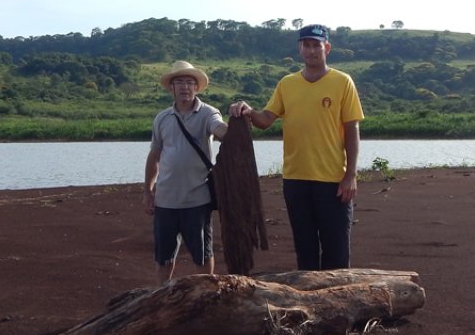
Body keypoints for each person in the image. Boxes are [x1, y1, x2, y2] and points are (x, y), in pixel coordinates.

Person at [230, 24, 364, 270]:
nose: (311, 50)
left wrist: (351, 175)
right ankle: (309, 304)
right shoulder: (287, 84)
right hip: (295, 180)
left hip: (332, 180)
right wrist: (248, 111)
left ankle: (339, 304)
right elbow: (266, 120)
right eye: (306, 45)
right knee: (305, 251)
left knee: (336, 252)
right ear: (299, 48)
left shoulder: (342, 82)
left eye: (316, 45)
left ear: (327, 48)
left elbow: (352, 130)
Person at [145, 61, 228, 284]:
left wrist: (233, 127)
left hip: (197, 198)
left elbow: (219, 129)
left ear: (197, 87)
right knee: (164, 256)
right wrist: (148, 191)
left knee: (202, 253)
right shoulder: (162, 118)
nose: (185, 87)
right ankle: (163, 295)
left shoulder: (208, 113)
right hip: (165, 200)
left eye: (190, 82)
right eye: (179, 82)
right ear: (171, 88)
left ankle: (205, 295)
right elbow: (154, 156)